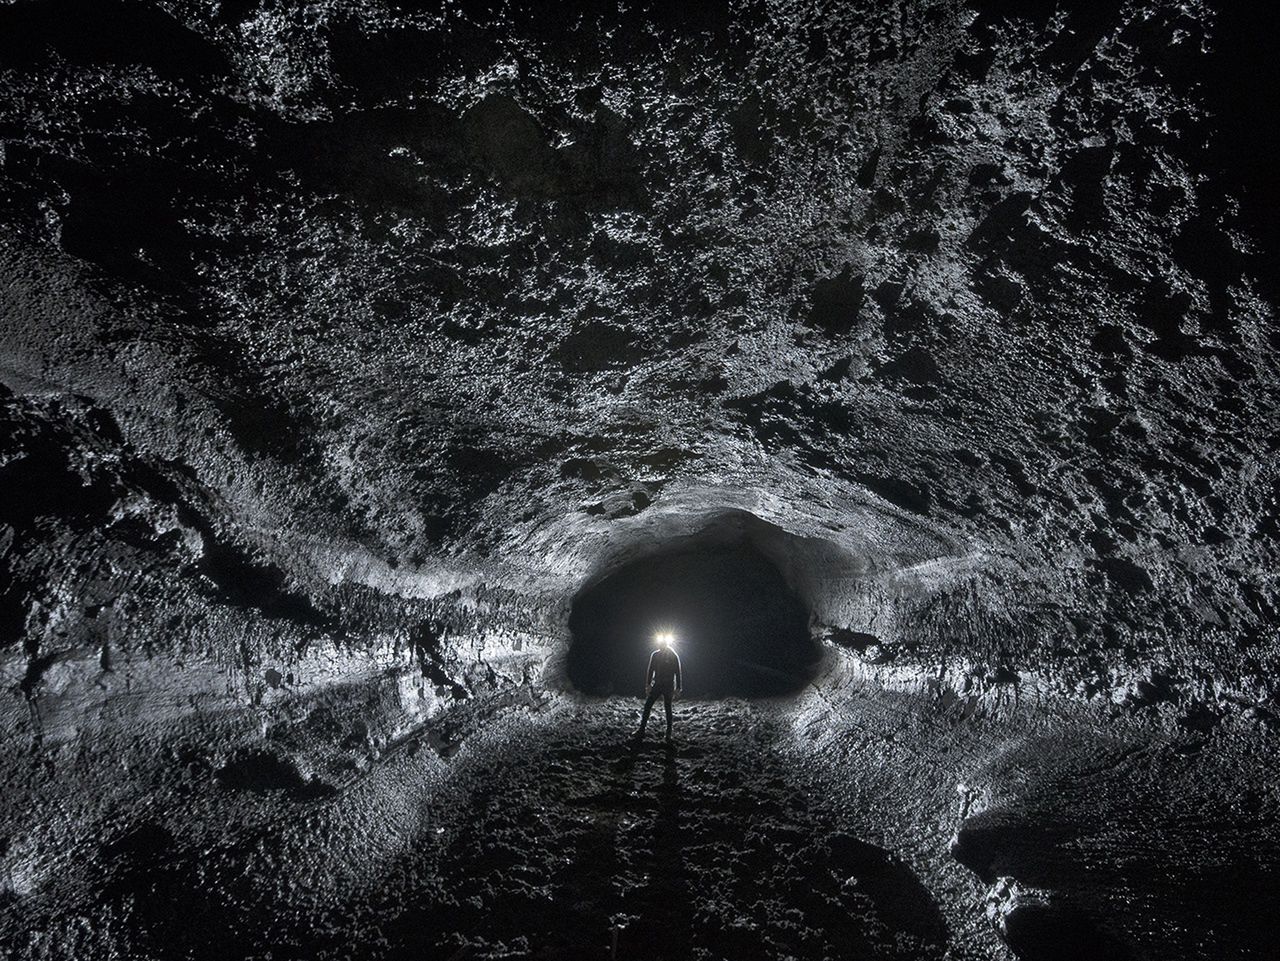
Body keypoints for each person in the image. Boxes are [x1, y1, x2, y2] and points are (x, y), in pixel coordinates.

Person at [636, 632, 682, 742]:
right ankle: (642, 730)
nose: (660, 645)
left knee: (668, 708)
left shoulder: (673, 655)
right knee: (648, 706)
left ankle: (668, 733)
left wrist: (678, 688)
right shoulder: (655, 655)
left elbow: (678, 672)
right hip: (658, 684)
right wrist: (648, 684)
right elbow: (650, 670)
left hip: (668, 686)